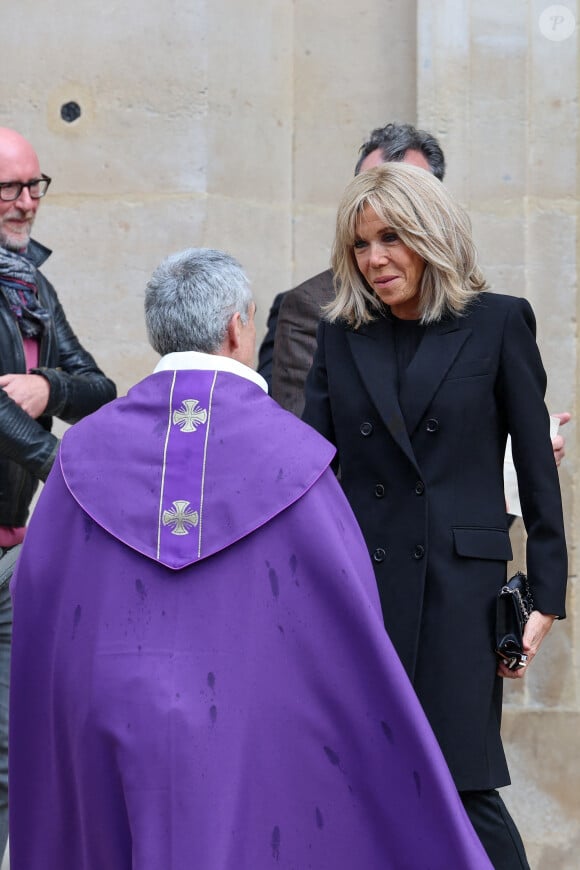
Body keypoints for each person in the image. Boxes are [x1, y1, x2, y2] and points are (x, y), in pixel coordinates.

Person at [8, 247, 493, 870]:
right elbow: (347, 621)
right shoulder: (296, 456)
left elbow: (42, 598)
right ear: (239, 327)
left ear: (159, 333)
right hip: (244, 726)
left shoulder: (83, 454)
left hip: (104, 718)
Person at [302, 163, 568, 870]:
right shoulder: (342, 335)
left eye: (391, 237)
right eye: (360, 245)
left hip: (460, 594)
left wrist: (546, 595)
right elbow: (313, 473)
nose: (375, 258)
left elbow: (538, 476)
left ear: (431, 234)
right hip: (362, 592)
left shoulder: (499, 322)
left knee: (462, 784)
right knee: (365, 783)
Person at [267, 122, 570, 461]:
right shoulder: (317, 308)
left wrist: (520, 461)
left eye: (409, 192)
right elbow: (306, 456)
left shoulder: (490, 316)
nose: (388, 198)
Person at [0, 127, 116, 858]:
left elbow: (99, 390)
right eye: (9, 188)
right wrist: (64, 472)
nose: (26, 203)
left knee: (14, 761)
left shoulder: (31, 285)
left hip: (13, 560)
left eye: (35, 185)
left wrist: (49, 386)